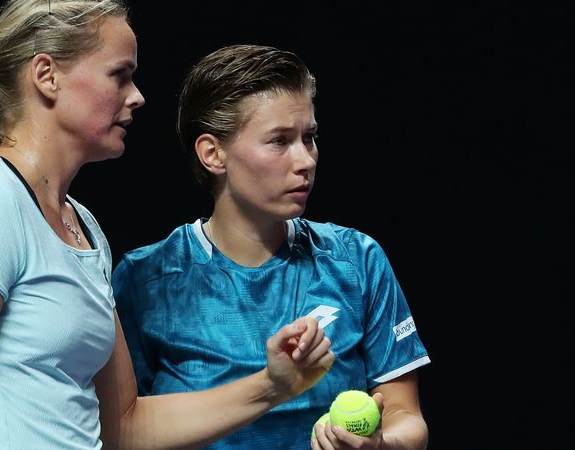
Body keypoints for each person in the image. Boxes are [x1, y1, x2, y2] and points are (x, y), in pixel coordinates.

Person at [0, 2, 336, 449]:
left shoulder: (83, 225)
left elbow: (126, 424)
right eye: (119, 75)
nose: (137, 96)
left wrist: (274, 385)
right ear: (47, 76)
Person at [111, 44, 431, 450]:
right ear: (213, 154)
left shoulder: (358, 260)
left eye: (309, 138)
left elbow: (405, 415)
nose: (306, 161)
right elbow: (122, 428)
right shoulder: (144, 280)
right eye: (280, 141)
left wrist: (384, 445)